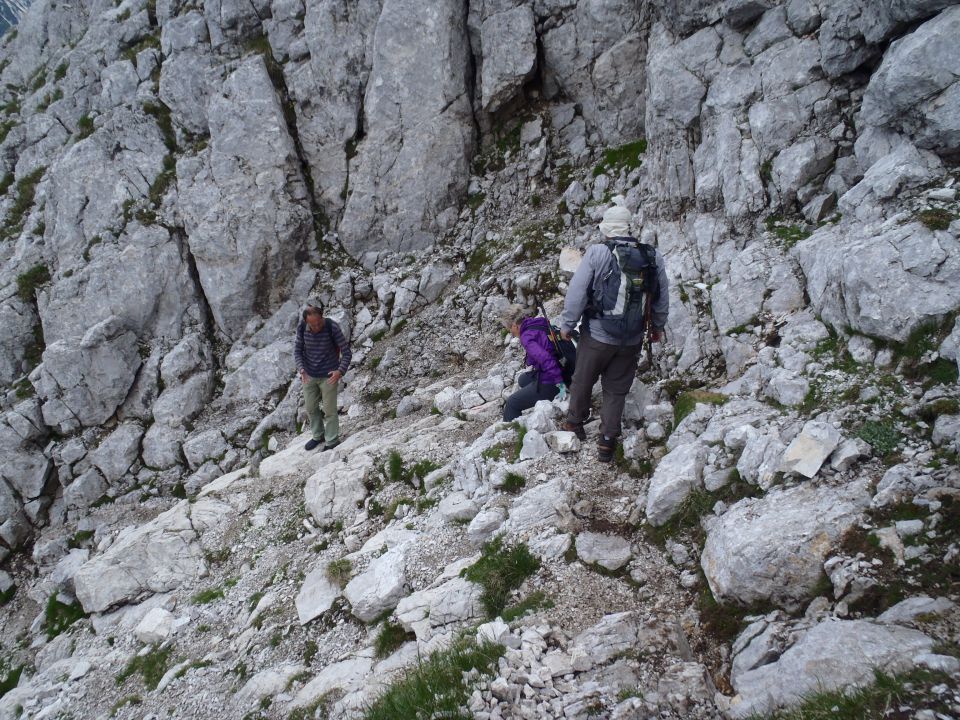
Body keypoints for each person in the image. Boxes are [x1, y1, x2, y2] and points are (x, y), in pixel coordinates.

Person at [559, 205, 669, 462]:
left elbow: (577, 292)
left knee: (583, 378)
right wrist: (657, 327)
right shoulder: (652, 256)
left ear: (607, 228)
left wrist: (567, 324)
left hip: (597, 333)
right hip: (631, 338)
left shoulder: (599, 252)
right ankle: (607, 441)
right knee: (616, 389)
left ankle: (574, 423)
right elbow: (661, 296)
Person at [294, 300, 352, 451]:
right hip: (309, 374)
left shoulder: (331, 326)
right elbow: (297, 351)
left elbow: (346, 352)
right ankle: (317, 435)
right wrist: (301, 369)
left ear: (322, 317)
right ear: (306, 322)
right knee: (311, 408)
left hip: (329, 375)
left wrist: (340, 371)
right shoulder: (302, 328)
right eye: (313, 325)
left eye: (319, 323)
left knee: (329, 410)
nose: (317, 327)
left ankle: (332, 440)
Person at [500, 304, 567, 422]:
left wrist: (560, 384)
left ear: (515, 326)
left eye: (509, 328)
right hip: (563, 368)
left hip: (551, 381)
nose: (510, 332)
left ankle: (511, 436)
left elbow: (546, 359)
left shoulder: (526, 337)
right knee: (522, 379)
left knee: (512, 403)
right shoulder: (537, 323)